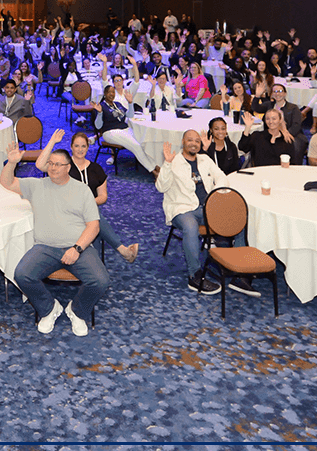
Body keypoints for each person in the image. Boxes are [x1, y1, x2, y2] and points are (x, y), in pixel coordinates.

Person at [0, 141, 109, 337]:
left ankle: (77, 311)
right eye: (50, 163)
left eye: (59, 164)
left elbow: (94, 226)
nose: (53, 167)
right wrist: (11, 163)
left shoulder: (82, 190)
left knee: (100, 280)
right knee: (22, 274)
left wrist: (76, 249)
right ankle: (49, 309)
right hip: (45, 247)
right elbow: (7, 183)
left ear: (68, 168)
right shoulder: (36, 185)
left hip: (78, 247)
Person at [156, 130, 257, 296]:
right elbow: (161, 187)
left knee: (239, 220)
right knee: (190, 226)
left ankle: (239, 274)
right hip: (182, 208)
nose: (194, 143)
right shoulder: (173, 162)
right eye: (190, 140)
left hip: (207, 208)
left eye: (197, 141)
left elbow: (222, 177)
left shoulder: (204, 159)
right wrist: (166, 164)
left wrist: (215, 197)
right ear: (183, 141)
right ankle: (194, 275)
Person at [35, 129, 139, 263]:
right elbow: (39, 165)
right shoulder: (63, 166)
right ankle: (121, 250)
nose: (80, 149)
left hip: (87, 211)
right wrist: (52, 142)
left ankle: (94, 264)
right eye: (76, 146)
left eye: (83, 146)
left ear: (88, 147)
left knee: (93, 218)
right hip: (65, 210)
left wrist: (87, 203)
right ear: (71, 147)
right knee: (95, 219)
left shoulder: (96, 169)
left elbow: (103, 196)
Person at [91, 85, 160, 176]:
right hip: (110, 132)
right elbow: (98, 126)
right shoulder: (101, 106)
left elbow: (130, 115)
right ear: (104, 94)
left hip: (124, 129)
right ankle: (153, 171)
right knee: (136, 146)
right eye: (109, 92)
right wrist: (99, 113)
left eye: (113, 92)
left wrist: (130, 103)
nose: (112, 94)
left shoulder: (117, 104)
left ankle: (156, 165)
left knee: (144, 142)